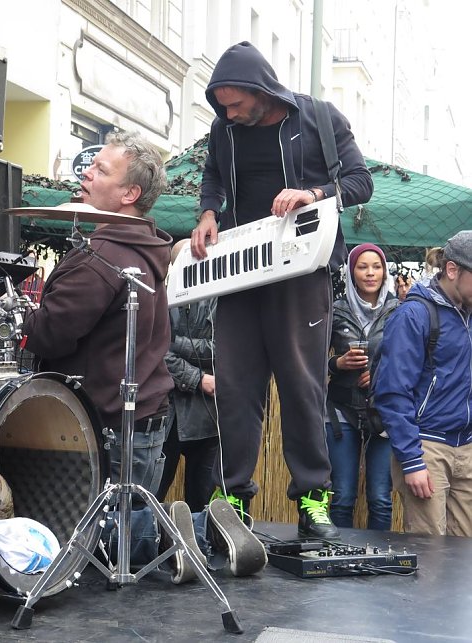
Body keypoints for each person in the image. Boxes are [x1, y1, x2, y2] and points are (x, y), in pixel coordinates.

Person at [22, 131, 264, 583]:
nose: (87, 173)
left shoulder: (103, 257)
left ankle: (179, 532)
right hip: (147, 413)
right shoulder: (147, 247)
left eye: (101, 170)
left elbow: (50, 335)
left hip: (104, 420)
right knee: (123, 531)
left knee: (103, 551)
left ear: (129, 193)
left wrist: (25, 321)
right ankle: (195, 528)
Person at [190, 41, 374, 538]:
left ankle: (313, 498)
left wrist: (313, 194)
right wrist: (208, 213)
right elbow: (211, 178)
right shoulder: (223, 130)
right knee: (235, 389)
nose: (228, 113)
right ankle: (233, 500)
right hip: (240, 271)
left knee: (302, 387)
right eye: (221, 105)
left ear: (262, 90)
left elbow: (361, 182)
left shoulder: (320, 118)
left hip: (302, 272)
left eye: (235, 103)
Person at [373, 231, 472, 536]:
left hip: (467, 447)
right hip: (426, 446)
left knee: (466, 560)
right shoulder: (414, 314)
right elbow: (392, 392)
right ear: (452, 270)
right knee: (431, 558)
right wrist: (412, 461)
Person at [325, 243, 399, 531]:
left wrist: (381, 376)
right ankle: (339, 563)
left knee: (380, 498)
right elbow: (311, 359)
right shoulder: (335, 309)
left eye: (376, 266)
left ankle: (380, 566)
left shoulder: (400, 311)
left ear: (385, 271)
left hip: (384, 413)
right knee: (342, 496)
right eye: (362, 266)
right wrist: (338, 364)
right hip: (341, 411)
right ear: (351, 272)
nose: (370, 273)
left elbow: (413, 362)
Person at [156, 241, 219, 509]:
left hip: (208, 418)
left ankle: (201, 549)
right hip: (163, 415)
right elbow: (153, 351)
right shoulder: (158, 298)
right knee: (150, 499)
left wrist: (171, 342)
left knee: (202, 503)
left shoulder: (222, 297)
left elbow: (220, 349)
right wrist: (198, 378)